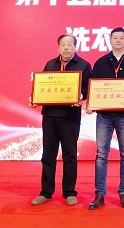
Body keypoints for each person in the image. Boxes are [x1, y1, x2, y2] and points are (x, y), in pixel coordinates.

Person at [87, 27, 124, 210]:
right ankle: (100, 194)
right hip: (104, 115)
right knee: (101, 154)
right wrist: (92, 102)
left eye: (121, 38)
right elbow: (93, 85)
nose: (118, 41)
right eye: (115, 38)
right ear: (110, 40)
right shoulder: (101, 62)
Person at [31, 34, 92, 207]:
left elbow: (88, 87)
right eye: (63, 44)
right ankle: (46, 192)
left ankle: (70, 192)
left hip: (70, 117)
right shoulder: (50, 64)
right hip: (50, 115)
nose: (66, 48)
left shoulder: (84, 65)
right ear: (58, 47)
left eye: (69, 44)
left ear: (75, 47)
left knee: (69, 155)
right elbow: (42, 87)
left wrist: (81, 96)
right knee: (48, 155)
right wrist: (34, 98)